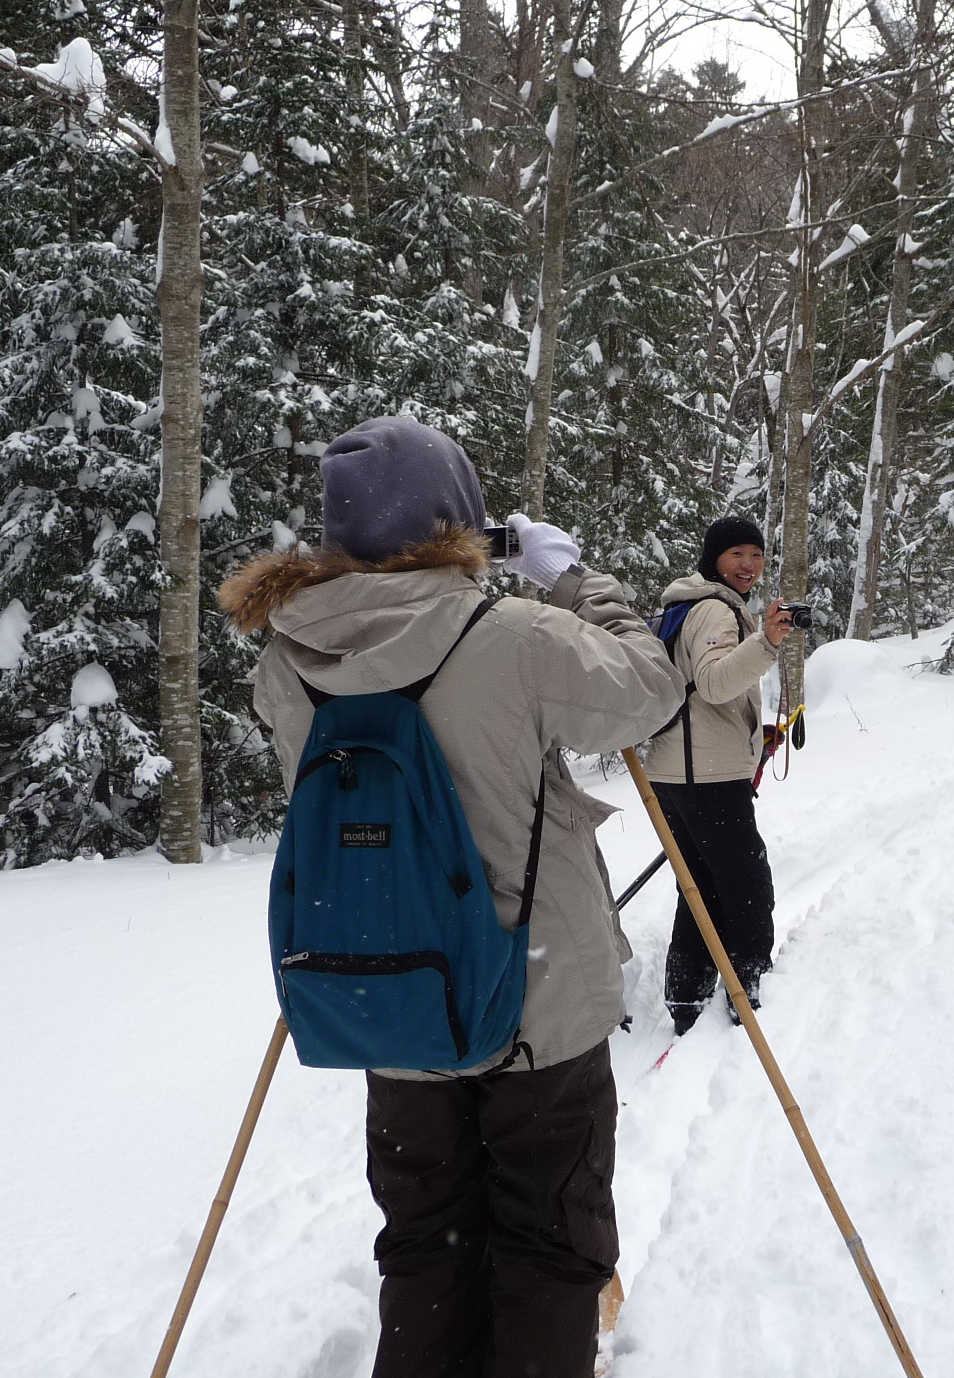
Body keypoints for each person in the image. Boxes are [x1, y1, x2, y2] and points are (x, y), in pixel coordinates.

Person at [219, 416, 684, 1378]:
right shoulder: (512, 634)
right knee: (550, 1252)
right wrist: (573, 581)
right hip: (533, 1007)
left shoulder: (285, 658)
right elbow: (651, 689)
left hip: (390, 1001)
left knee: (424, 1246)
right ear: (457, 524)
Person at [643, 517, 797, 1034]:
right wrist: (768, 642)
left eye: (755, 554)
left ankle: (685, 996)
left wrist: (753, 737)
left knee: (700, 883)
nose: (748, 565)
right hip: (705, 775)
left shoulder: (687, 605)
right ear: (714, 559)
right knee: (745, 881)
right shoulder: (713, 608)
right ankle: (748, 982)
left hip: (677, 768)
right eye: (736, 554)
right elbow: (712, 684)